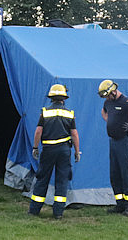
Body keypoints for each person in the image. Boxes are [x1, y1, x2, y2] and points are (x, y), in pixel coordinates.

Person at [28, 84, 81, 220]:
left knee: (42, 178)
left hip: (48, 150)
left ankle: (34, 210)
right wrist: (76, 151)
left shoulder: (45, 112)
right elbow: (74, 134)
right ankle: (58, 213)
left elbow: (38, 131)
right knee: (62, 180)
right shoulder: (70, 114)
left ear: (51, 98)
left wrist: (35, 147)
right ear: (64, 98)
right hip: (64, 151)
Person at [99, 79, 128, 216]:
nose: (106, 98)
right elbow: (104, 112)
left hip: (124, 141)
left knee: (127, 173)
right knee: (115, 174)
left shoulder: (126, 102)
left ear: (113, 91)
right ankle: (120, 204)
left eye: (107, 95)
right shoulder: (108, 102)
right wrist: (110, 120)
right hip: (113, 142)